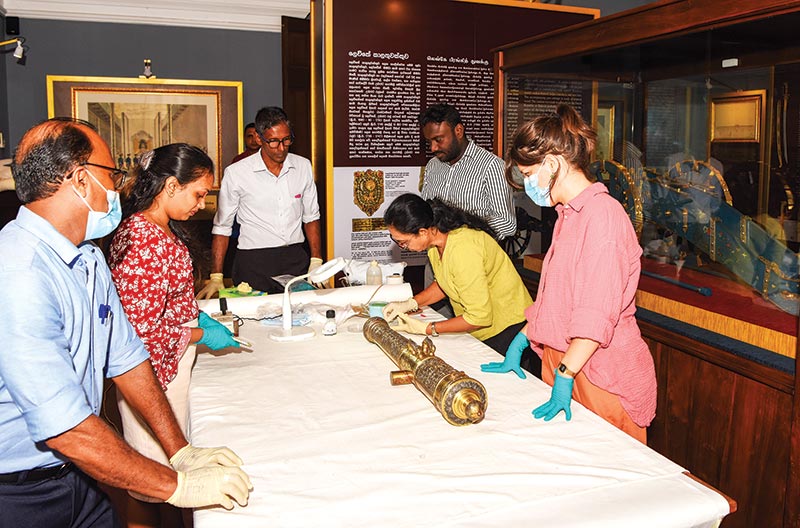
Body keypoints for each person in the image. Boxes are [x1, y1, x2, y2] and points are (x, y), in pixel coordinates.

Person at [0, 118, 251, 526]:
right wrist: (177, 485)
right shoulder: (18, 273)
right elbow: (65, 426)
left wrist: (180, 451)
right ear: (81, 180)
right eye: (112, 175)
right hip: (22, 490)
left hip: (79, 472)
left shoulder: (87, 257)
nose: (118, 187)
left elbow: (128, 358)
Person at [481, 104, 656, 443]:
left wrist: (565, 374)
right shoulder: (568, 215)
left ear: (551, 164)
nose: (528, 184)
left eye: (528, 175)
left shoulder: (603, 216)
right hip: (567, 363)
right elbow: (559, 298)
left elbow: (596, 312)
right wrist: (523, 338)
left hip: (597, 373)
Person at [108, 143, 242, 527]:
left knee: (172, 476)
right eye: (198, 194)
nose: (202, 204)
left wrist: (196, 316)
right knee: (148, 482)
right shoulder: (141, 239)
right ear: (170, 186)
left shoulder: (162, 226)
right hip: (149, 375)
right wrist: (199, 333)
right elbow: (141, 330)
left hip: (169, 367)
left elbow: (167, 299)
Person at [381, 193, 534, 366]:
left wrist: (429, 328)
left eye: (403, 242)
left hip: (507, 329)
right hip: (483, 329)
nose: (403, 247)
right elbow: (445, 283)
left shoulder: (463, 249)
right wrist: (411, 303)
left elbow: (478, 317)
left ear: (422, 232)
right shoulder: (435, 244)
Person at [198, 106, 323, 298]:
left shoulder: (303, 166)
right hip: (253, 263)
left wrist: (316, 260)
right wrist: (216, 275)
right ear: (258, 138)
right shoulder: (237, 173)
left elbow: (311, 216)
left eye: (286, 140)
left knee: (302, 312)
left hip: (295, 259)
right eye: (273, 141)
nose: (281, 148)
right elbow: (222, 226)